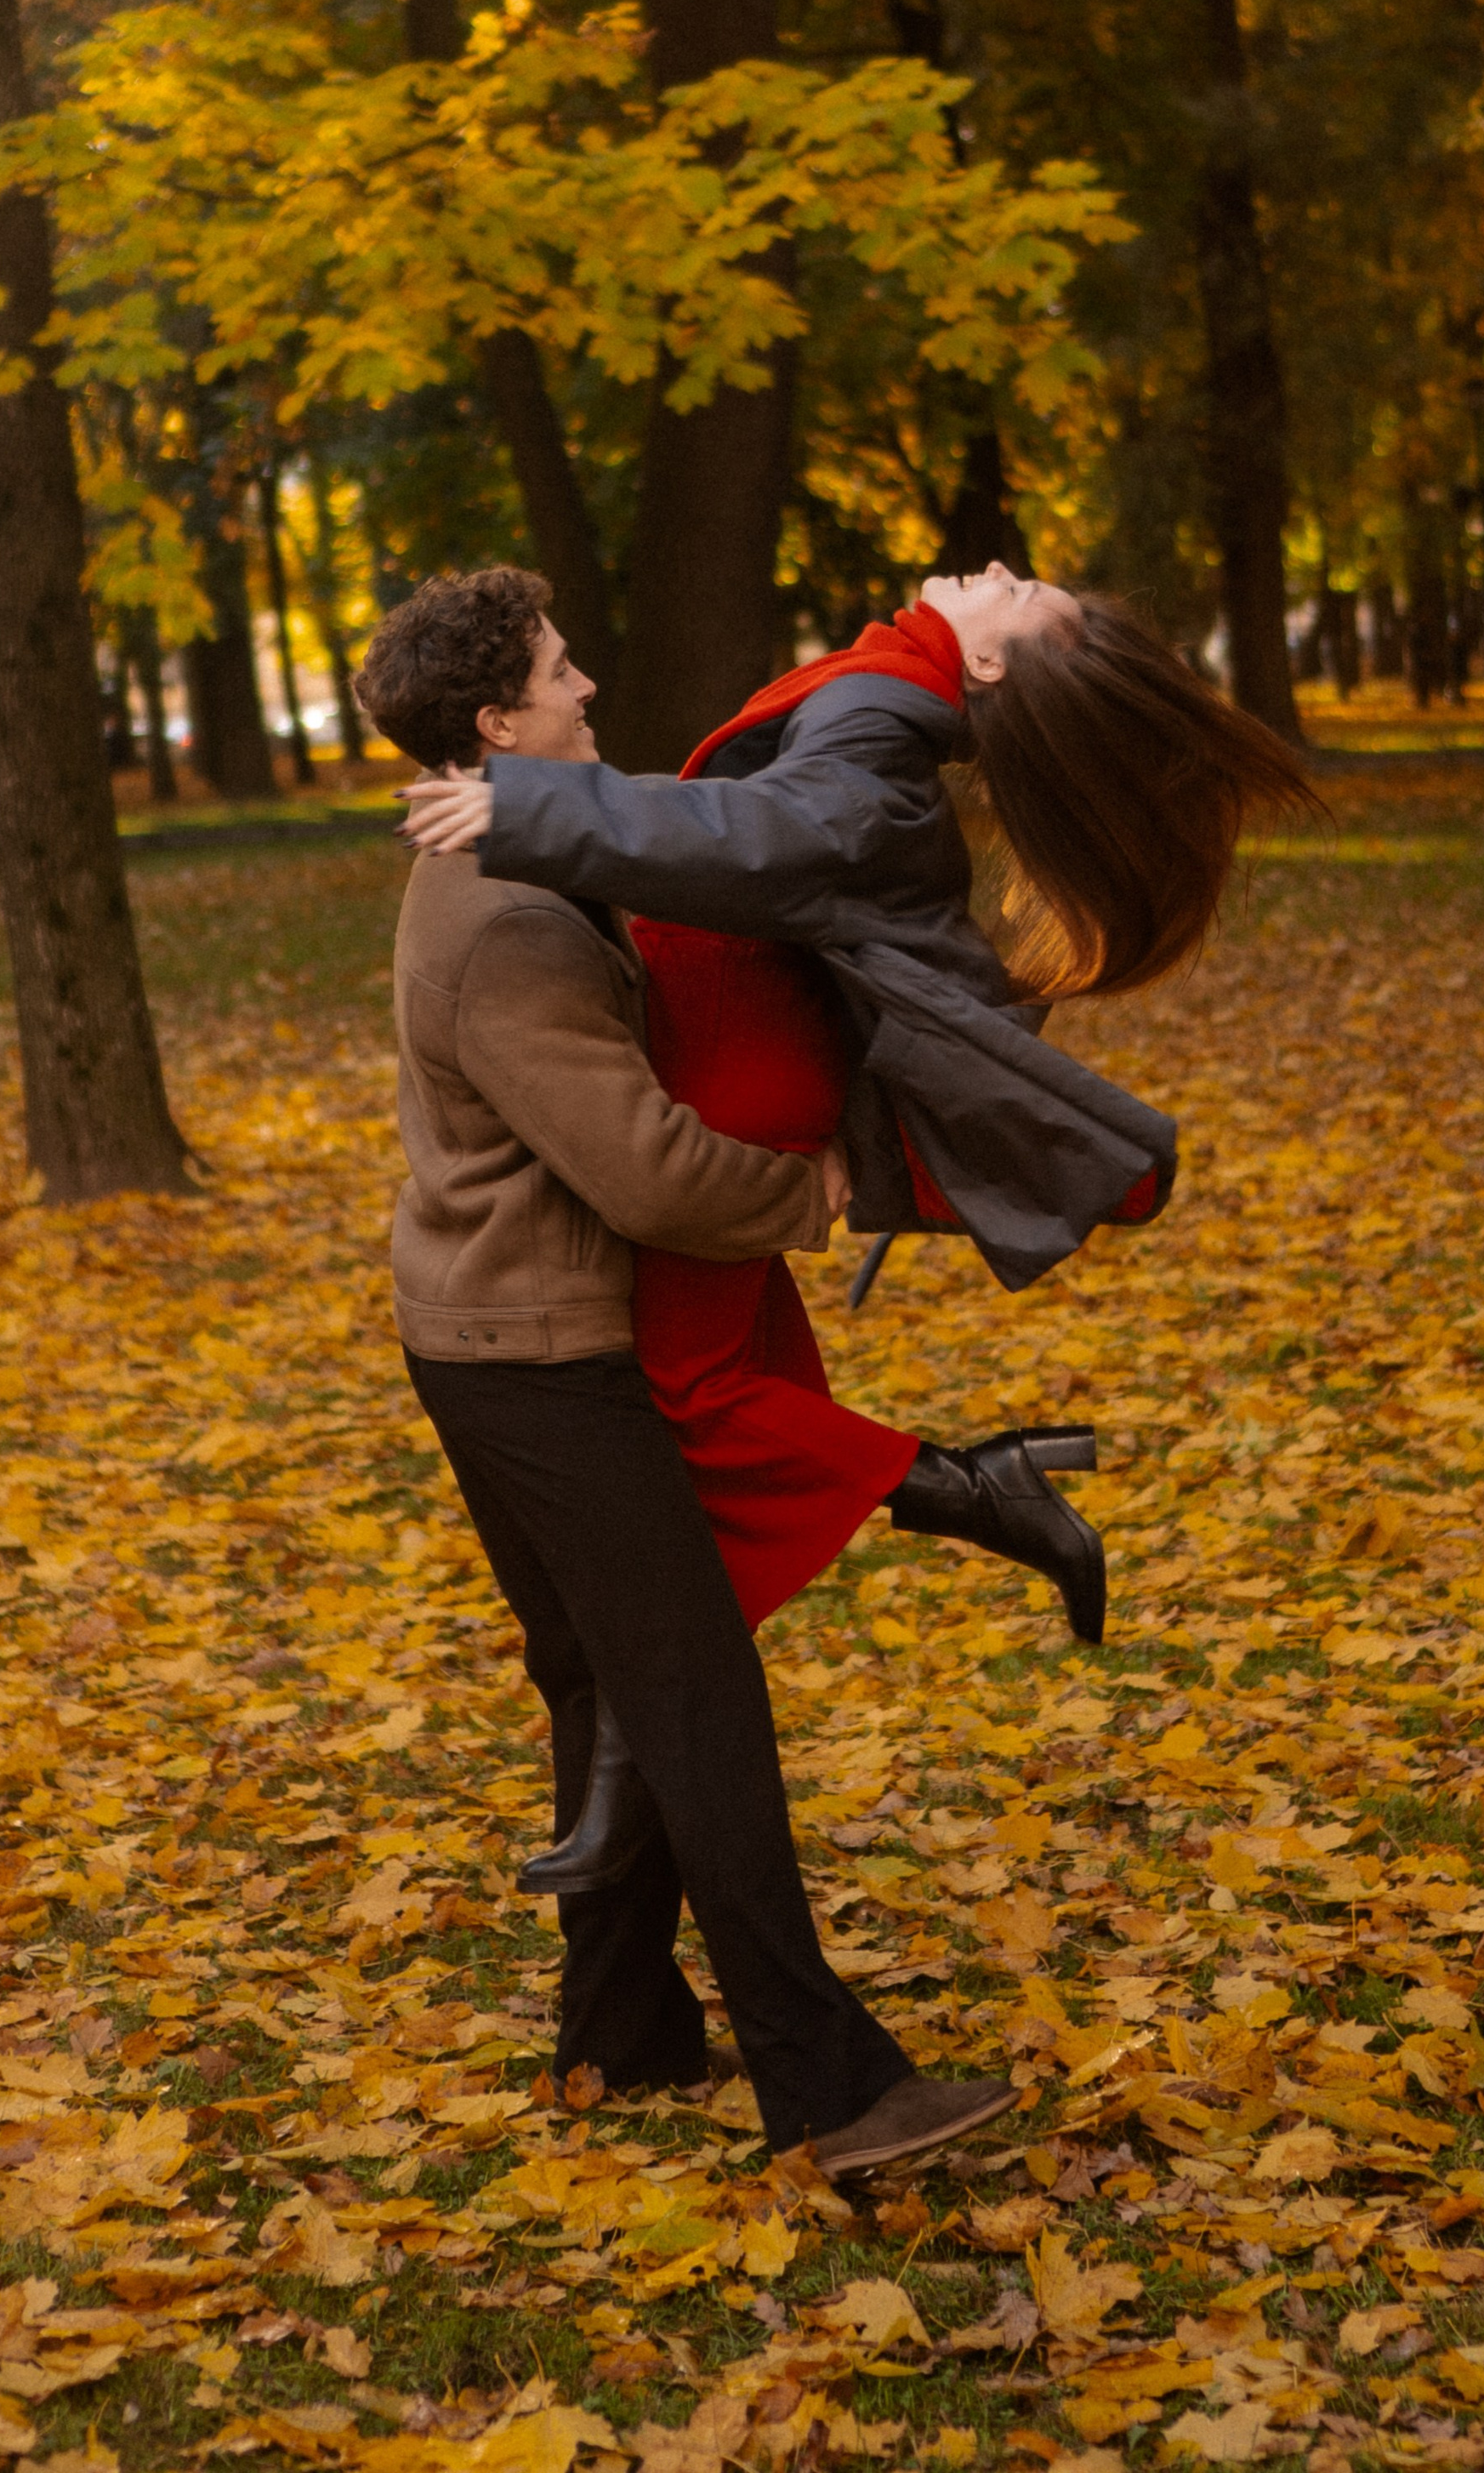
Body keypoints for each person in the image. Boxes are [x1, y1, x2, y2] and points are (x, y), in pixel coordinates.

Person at [406, 563, 1308, 1883]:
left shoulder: (884, 727)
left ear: (988, 667)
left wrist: (530, 809)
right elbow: (737, 819)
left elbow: (761, 841)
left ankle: (960, 1497)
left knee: (687, 1407)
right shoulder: (887, 691)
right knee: (701, 1420)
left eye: (1027, 599)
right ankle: (637, 1772)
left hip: (731, 1075)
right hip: (734, 1044)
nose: (1006, 571)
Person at [354, 566, 1015, 2179]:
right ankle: (834, 2091)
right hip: (538, 1358)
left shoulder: (531, 853)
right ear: (499, 722)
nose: (589, 688)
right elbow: (643, 1168)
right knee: (693, 1701)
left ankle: (622, 2040)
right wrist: (814, 1192)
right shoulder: (510, 918)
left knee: (604, 1692)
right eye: (560, 673)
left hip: (503, 1335)